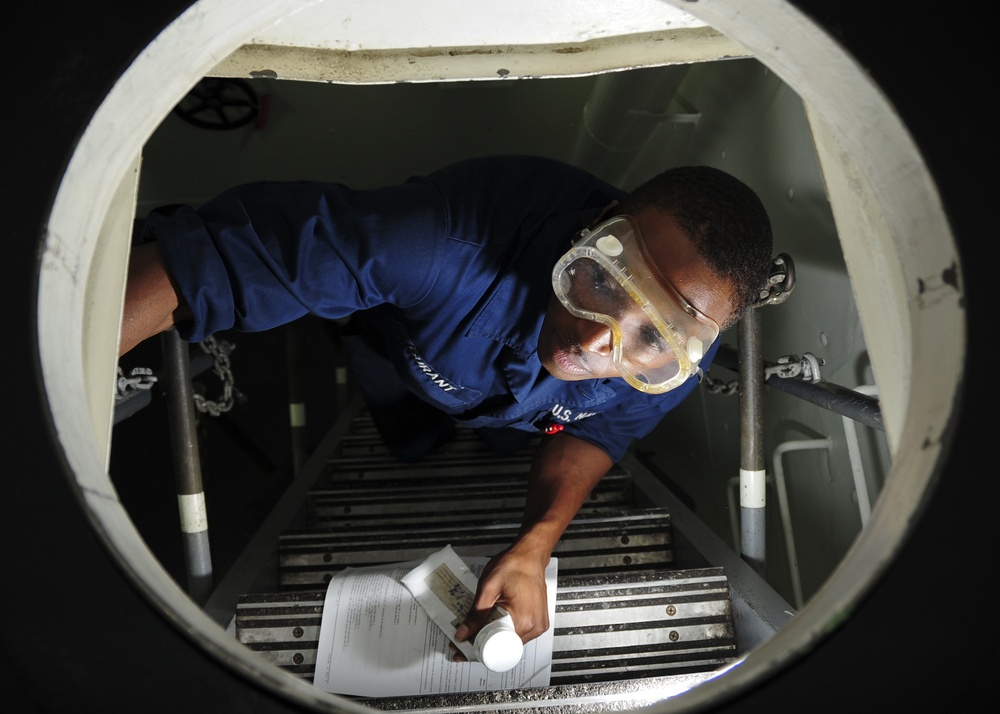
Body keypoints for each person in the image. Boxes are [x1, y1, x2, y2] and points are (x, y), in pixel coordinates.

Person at [119, 154, 773, 653]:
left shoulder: (683, 351)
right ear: (593, 230)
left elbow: (600, 433)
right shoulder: (437, 241)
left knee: (512, 437)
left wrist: (537, 543)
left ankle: (489, 433)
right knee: (406, 434)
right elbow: (204, 267)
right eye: (606, 279)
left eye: (653, 333)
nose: (601, 340)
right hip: (404, 360)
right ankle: (415, 435)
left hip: (523, 416)